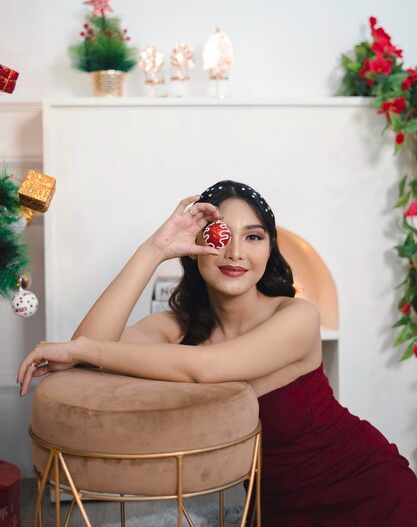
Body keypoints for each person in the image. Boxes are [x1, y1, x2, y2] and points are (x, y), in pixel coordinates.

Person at [18, 180, 417, 526]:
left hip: (367, 487)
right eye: (221, 235)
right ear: (195, 247)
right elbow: (88, 353)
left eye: (254, 236)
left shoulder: (297, 316)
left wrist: (84, 348)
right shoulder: (179, 328)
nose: (236, 252)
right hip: (279, 510)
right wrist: (154, 249)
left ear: (270, 249)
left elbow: (206, 368)